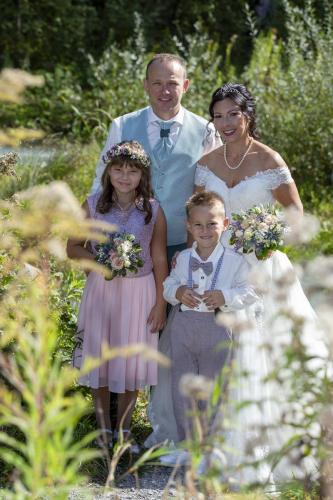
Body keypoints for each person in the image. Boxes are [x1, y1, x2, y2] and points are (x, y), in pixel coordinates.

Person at [193, 83, 326, 484]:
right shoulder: (206, 164)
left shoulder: (270, 160)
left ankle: (278, 449)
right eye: (218, 115)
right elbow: (201, 213)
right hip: (220, 267)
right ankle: (224, 445)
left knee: (265, 354)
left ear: (247, 114)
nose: (226, 122)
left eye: (233, 113)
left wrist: (265, 235)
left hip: (263, 268)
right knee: (224, 355)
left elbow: (295, 214)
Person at [67, 140, 168, 449]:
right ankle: (102, 430)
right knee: (101, 357)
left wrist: (161, 303)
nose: (125, 176)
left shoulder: (152, 209)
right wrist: (99, 264)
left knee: (131, 361)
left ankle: (124, 431)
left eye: (132, 171)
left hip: (140, 292)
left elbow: (160, 258)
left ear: (142, 175)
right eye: (118, 169)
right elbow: (73, 246)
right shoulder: (93, 204)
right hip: (102, 290)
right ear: (108, 171)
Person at [91, 53, 221, 263]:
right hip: (127, 242)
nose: (165, 91)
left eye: (172, 83)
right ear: (146, 85)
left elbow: (216, 190)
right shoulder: (121, 125)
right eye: (157, 83)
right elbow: (101, 180)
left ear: (185, 85)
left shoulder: (207, 131)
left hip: (186, 242)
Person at [160, 191, 258, 464]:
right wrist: (178, 291)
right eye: (199, 225)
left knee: (216, 388)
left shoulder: (236, 260)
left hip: (218, 327)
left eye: (212, 224)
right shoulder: (182, 259)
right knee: (183, 387)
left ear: (224, 224)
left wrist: (225, 296)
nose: (205, 231)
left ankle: (210, 448)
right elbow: (167, 285)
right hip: (184, 327)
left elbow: (251, 291)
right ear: (189, 227)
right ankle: (188, 446)